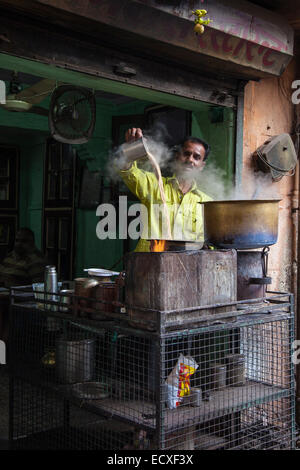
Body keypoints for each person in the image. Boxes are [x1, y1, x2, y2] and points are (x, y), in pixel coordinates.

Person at [118, 127, 212, 252]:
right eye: (186, 154)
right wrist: (131, 148)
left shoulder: (207, 203)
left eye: (196, 157)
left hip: (185, 266)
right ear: (177, 156)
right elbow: (128, 172)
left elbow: (209, 244)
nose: (190, 160)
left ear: (201, 166)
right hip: (148, 262)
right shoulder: (155, 185)